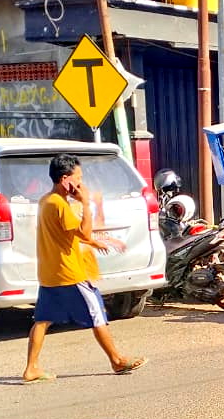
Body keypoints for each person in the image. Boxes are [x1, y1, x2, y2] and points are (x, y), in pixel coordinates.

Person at [21, 154, 144, 383]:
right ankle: (116, 360)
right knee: (97, 313)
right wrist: (85, 203)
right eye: (78, 178)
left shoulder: (46, 201)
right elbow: (83, 232)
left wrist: (94, 242)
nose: (81, 183)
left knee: (42, 320)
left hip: (50, 274)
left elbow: (67, 235)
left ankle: (31, 368)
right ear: (65, 179)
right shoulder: (60, 205)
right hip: (69, 274)